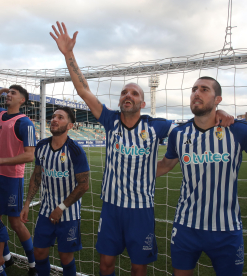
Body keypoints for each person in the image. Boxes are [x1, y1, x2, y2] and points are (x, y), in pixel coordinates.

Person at [50, 22, 235, 276]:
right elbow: (83, 90)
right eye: (125, 92)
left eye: (134, 93)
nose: (129, 95)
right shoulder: (110, 120)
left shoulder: (157, 126)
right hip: (111, 208)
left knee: (139, 269)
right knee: (105, 265)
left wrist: (218, 112)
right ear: (120, 100)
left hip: (141, 210)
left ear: (143, 102)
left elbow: (192, 129)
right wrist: (68, 54)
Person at [156, 76, 247, 276]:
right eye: (194, 89)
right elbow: (164, 165)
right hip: (186, 226)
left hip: (226, 229)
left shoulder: (237, 131)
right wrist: (133, 173)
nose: (196, 93)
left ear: (218, 99)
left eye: (204, 89)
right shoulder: (179, 135)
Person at [20, 107, 90, 276]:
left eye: (60, 117)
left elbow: (84, 185)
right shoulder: (42, 146)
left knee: (65, 257)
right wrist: (27, 203)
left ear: (70, 125)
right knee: (39, 253)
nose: (54, 120)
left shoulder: (75, 151)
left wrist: (61, 208)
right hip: (46, 210)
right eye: (53, 117)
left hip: (68, 213)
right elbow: (37, 176)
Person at [0, 85, 37, 275]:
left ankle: (34, 264)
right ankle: (7, 255)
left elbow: (30, 156)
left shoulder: (25, 123)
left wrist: (0, 160)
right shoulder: (0, 114)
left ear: (22, 100)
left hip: (12, 179)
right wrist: (1, 90)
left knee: (15, 222)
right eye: (8, 93)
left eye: (13, 93)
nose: (9, 95)